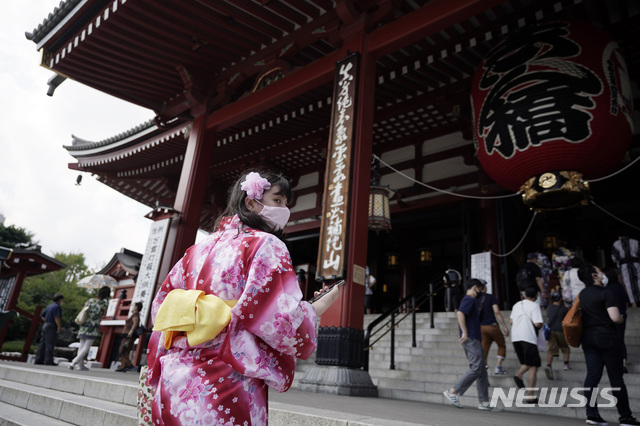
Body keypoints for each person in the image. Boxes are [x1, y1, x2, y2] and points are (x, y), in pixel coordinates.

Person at [145, 170, 342, 425]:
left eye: (286, 204)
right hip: (227, 376)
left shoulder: (197, 249)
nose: (285, 210)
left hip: (176, 376)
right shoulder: (266, 244)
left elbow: (162, 307)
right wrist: (316, 308)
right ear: (251, 202)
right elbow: (277, 316)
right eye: (278, 201)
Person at [577, 263, 639, 426]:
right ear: (594, 276)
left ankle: (592, 414)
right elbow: (615, 317)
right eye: (599, 271)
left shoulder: (582, 294)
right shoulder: (607, 293)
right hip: (607, 338)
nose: (602, 273)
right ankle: (625, 417)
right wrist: (621, 317)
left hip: (588, 339)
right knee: (616, 379)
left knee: (592, 376)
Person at [443, 279, 500, 411]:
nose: (482, 292)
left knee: (481, 370)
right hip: (471, 338)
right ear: (475, 287)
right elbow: (460, 313)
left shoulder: (471, 300)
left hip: (475, 338)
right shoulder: (469, 299)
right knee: (476, 368)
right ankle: (453, 391)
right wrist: (464, 332)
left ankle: (484, 402)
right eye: (481, 289)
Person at [510, 286, 543, 403]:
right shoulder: (534, 306)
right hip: (528, 337)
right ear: (536, 296)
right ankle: (530, 395)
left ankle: (518, 376)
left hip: (515, 338)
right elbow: (538, 323)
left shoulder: (516, 305)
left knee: (526, 362)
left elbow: (511, 321)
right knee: (533, 366)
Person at [69, 286, 110, 371]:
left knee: (82, 345)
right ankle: (74, 362)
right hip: (93, 326)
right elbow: (104, 314)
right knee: (86, 347)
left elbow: (83, 310)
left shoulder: (90, 300)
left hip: (84, 324)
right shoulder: (104, 303)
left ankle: (80, 366)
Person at [477, 281, 510, 375]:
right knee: (501, 345)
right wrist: (504, 325)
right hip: (492, 326)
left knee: (485, 347)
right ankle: (498, 366)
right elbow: (496, 312)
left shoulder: (475, 299)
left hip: (481, 327)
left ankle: (484, 366)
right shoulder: (490, 297)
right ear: (484, 287)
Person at [605, 268, 630, 374]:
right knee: (620, 339)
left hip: (611, 317)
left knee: (613, 340)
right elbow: (625, 300)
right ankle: (623, 362)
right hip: (622, 315)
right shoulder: (619, 287)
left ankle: (616, 362)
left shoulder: (606, 289)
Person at [544, 291, 570, 380]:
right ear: (561, 299)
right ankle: (566, 364)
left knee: (551, 349)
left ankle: (548, 365)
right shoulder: (564, 309)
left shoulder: (549, 308)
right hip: (561, 330)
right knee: (565, 347)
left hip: (551, 330)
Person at [34, 294, 63, 365]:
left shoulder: (50, 306)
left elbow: (42, 315)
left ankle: (38, 359)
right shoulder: (57, 307)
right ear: (59, 300)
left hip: (46, 324)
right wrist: (59, 327)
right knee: (50, 343)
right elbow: (57, 317)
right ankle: (48, 361)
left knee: (42, 343)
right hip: (51, 325)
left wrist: (47, 320)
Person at [611, 235, 640, 308]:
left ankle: (634, 304)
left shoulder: (616, 243)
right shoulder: (635, 241)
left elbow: (614, 258)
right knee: (639, 281)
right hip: (636, 264)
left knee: (628, 284)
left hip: (625, 265)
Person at [117, 301, 142, 372]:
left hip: (129, 335)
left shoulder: (135, 315)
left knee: (123, 348)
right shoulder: (134, 314)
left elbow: (135, 324)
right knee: (125, 349)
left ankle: (127, 364)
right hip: (128, 334)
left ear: (136, 307)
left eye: (134, 306)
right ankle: (124, 364)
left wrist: (131, 331)